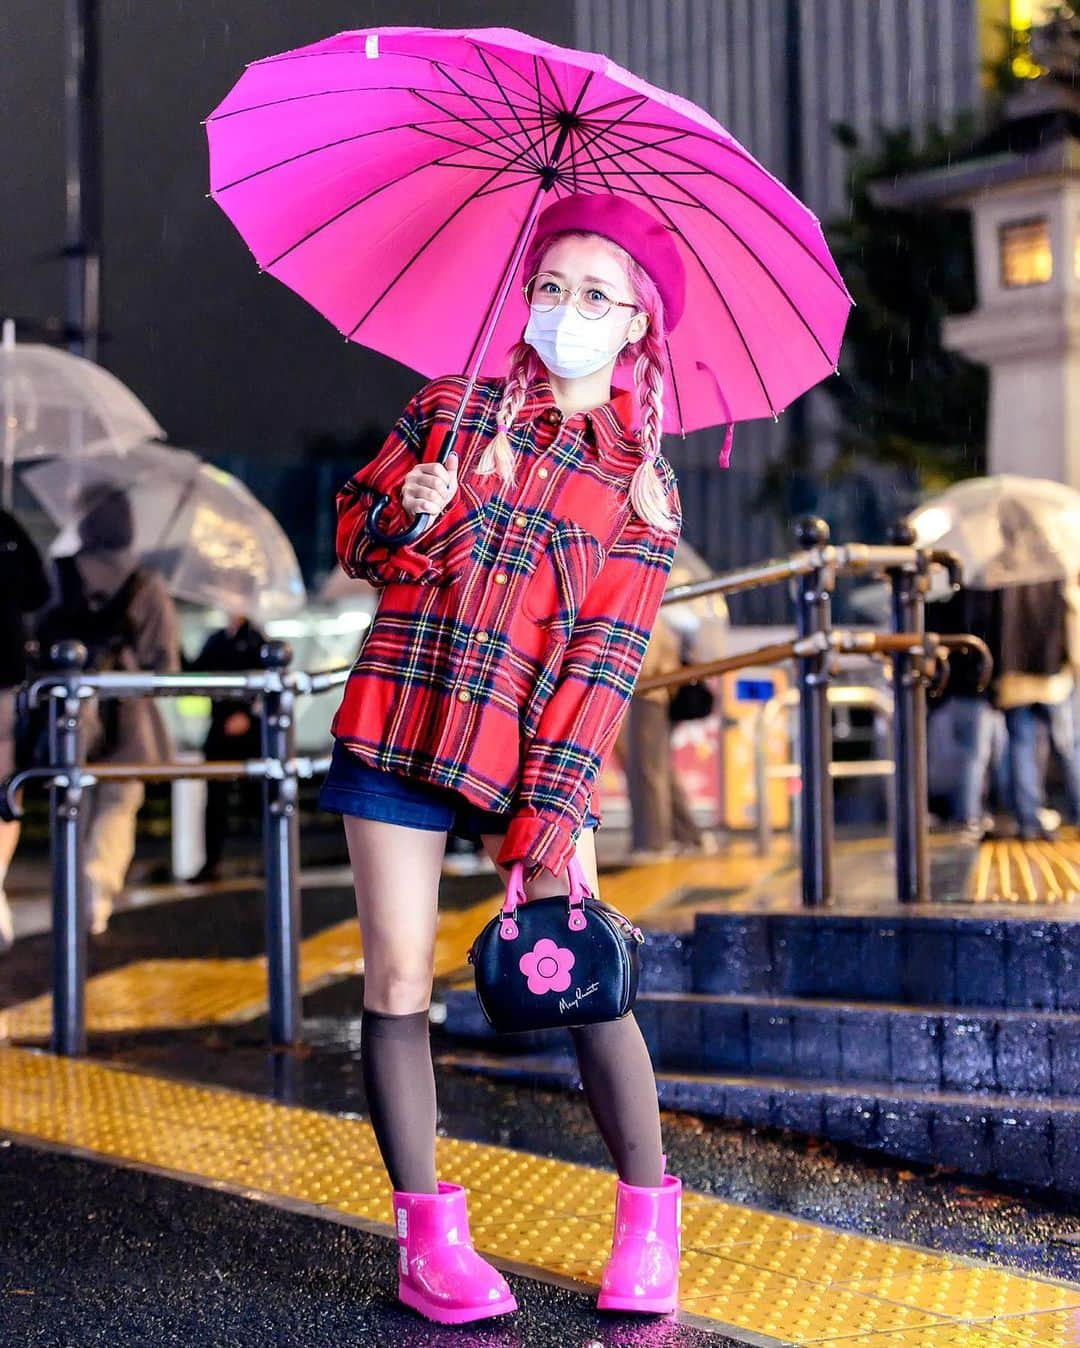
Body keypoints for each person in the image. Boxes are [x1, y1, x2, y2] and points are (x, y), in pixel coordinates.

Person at [319, 194, 685, 1325]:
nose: (565, 312)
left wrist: (557, 808)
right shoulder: (448, 410)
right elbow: (352, 539)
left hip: (523, 751)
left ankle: (648, 1220)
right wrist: (411, 508)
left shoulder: (637, 489)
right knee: (395, 981)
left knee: (575, 970)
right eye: (550, 287)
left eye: (595, 296)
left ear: (635, 326)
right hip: (397, 723)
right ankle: (428, 1243)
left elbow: (601, 667)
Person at [35, 484, 180, 934]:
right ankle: (98, 882)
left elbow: (33, 634)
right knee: (119, 801)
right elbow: (167, 665)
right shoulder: (147, 583)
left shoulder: (57, 573)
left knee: (71, 798)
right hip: (129, 713)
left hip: (70, 711)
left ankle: (70, 882)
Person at [616, 612, 718, 862]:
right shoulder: (657, 618)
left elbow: (643, 665)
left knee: (647, 772)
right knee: (660, 772)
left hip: (648, 697)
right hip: (655, 697)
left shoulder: (646, 616)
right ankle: (689, 836)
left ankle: (653, 844)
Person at [0, 508, 51, 950]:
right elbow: (37, 593)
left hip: (5, 675)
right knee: (4, 785)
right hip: (3, 672)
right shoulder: (7, 527)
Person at [186, 614, 266, 883]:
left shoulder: (257, 641)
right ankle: (212, 862)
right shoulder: (217, 640)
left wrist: (247, 714)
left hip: (249, 734)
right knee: (215, 801)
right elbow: (195, 674)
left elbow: (266, 685)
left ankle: (267, 857)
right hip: (220, 728)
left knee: (256, 798)